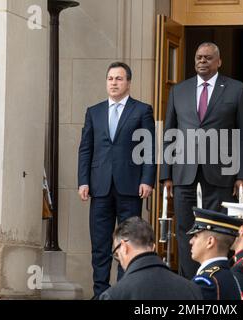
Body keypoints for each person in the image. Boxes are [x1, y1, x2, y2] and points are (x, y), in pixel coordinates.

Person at [159, 42, 243, 279]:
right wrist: (166, 174)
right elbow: (170, 133)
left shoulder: (236, 90)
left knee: (218, 228)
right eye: (199, 57)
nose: (202, 61)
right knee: (185, 229)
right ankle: (192, 284)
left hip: (222, 172)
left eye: (208, 58)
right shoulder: (179, 91)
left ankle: (216, 279)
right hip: (184, 172)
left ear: (218, 62)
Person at [77, 62, 156, 298]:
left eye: (119, 79)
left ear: (128, 82)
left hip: (131, 186)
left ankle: (123, 292)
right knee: (100, 244)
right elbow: (85, 149)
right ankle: (100, 293)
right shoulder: (94, 111)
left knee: (129, 241)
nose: (114, 82)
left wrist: (148, 179)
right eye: (110, 78)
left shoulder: (142, 110)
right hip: (100, 187)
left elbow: (149, 149)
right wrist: (83, 181)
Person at [99, 217, 202, 300]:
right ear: (153, 247)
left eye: (117, 255)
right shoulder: (191, 289)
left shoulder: (114, 295)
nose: (120, 262)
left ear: (124, 247)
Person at [188, 207, 243, 300]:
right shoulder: (231, 276)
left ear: (210, 242)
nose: (191, 241)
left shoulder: (205, 281)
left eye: (196, 236)